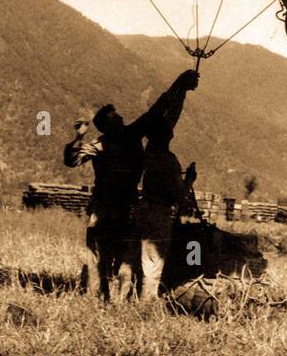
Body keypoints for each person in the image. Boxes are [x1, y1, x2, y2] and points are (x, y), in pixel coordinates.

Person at [63, 69, 198, 301]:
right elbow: (156, 112)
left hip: (119, 207)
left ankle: (103, 300)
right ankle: (107, 300)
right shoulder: (123, 138)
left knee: (111, 257)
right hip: (113, 207)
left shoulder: (108, 141)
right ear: (107, 125)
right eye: (116, 118)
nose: (122, 119)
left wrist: (180, 87)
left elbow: (157, 110)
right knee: (111, 257)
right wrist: (180, 85)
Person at [135, 122, 197, 300]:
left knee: (140, 257)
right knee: (154, 260)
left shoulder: (149, 156)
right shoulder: (169, 161)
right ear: (169, 136)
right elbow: (179, 195)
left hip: (143, 209)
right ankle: (147, 301)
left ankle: (131, 293)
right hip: (159, 212)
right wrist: (190, 180)